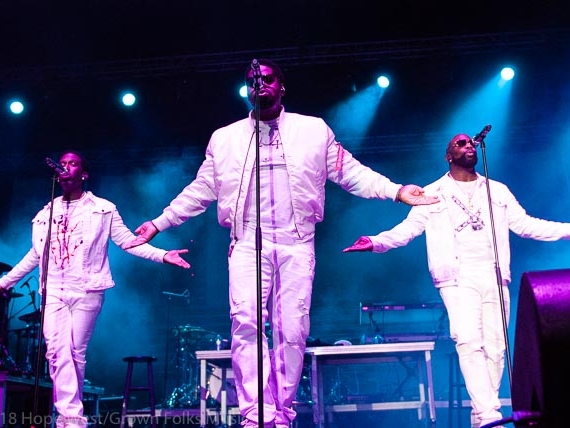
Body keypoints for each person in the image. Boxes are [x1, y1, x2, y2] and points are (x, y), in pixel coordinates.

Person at [125, 58, 439, 428]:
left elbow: (352, 173)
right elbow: (200, 191)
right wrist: (160, 222)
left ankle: (282, 414)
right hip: (246, 243)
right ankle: (256, 414)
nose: (260, 84)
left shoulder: (314, 131)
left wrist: (397, 191)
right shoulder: (225, 138)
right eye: (252, 80)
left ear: (282, 86)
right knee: (245, 324)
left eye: (268, 78)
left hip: (296, 241)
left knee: (292, 330)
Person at [343, 133, 570, 428]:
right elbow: (407, 230)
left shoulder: (497, 191)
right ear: (448, 155)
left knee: (497, 347)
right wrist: (376, 241)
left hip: (495, 275)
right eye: (460, 144)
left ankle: (481, 418)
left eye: (470, 143)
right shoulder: (432, 192)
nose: (469, 146)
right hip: (457, 277)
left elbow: (526, 225)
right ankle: (490, 416)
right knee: (468, 341)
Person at [0, 150, 191, 428]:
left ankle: (70, 416)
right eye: (62, 164)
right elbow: (35, 254)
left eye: (72, 164)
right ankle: (71, 416)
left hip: (87, 288)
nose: (66, 167)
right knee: (56, 350)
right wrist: (6, 281)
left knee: (75, 351)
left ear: (84, 174)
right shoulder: (45, 213)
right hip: (53, 287)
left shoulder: (103, 208)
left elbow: (127, 241)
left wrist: (162, 255)